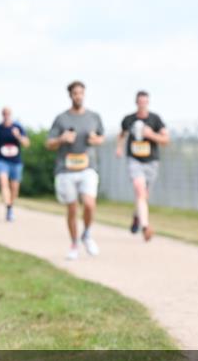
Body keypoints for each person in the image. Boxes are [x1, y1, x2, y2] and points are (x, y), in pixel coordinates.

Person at [46, 81, 105, 260]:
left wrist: (95, 140)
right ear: (70, 95)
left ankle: (86, 233)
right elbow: (48, 143)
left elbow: (101, 138)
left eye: (81, 93)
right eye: (75, 93)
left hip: (88, 166)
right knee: (72, 209)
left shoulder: (94, 117)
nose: (78, 96)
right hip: (66, 169)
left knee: (89, 204)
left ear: (84, 94)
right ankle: (74, 243)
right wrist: (62, 139)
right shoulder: (61, 119)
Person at [115, 91, 168, 241]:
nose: (142, 104)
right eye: (140, 102)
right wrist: (119, 147)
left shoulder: (155, 119)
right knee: (139, 190)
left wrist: (151, 135)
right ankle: (145, 226)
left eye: (145, 102)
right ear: (136, 102)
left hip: (151, 161)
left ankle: (137, 217)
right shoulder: (128, 119)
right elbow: (122, 134)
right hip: (134, 160)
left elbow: (166, 139)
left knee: (144, 196)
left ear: (148, 103)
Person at [0, 107, 31, 222]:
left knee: (14, 188)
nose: (6, 115)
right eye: (4, 113)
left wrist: (18, 136)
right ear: (2, 115)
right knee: (3, 183)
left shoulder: (18, 127)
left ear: (11, 114)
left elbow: (27, 143)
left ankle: (10, 207)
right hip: (2, 160)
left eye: (8, 113)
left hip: (16, 162)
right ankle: (7, 206)